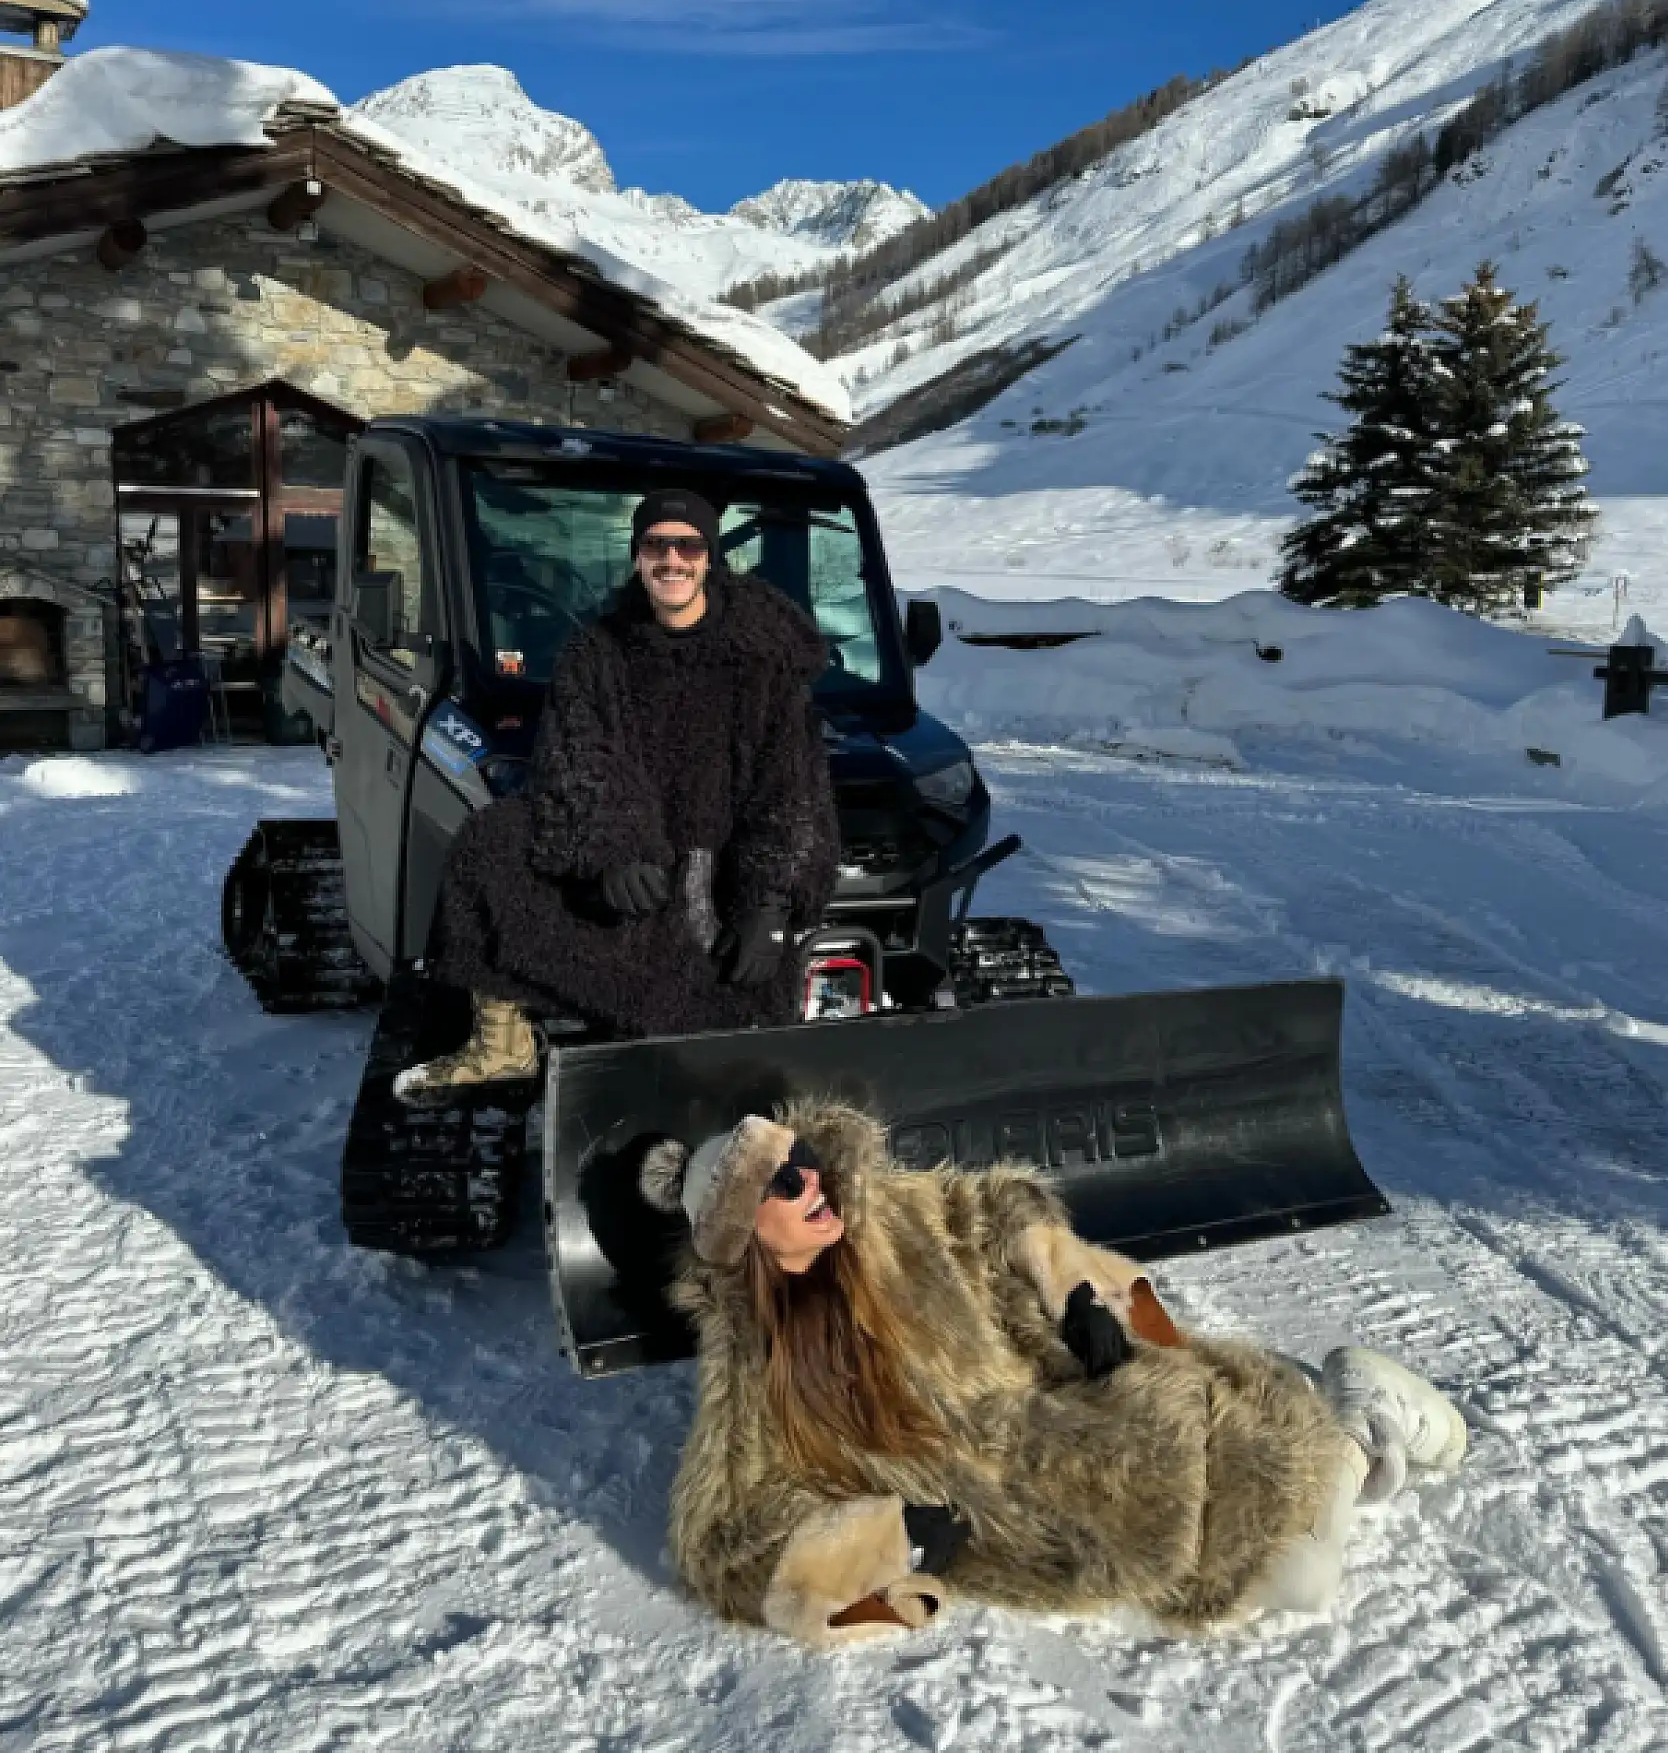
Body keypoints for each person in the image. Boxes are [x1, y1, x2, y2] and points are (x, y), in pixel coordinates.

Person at [645, 1101, 1467, 1649]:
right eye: (785, 1182)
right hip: (994, 1492)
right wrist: (883, 1542)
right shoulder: (760, 1354)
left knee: (1264, 1508)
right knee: (1287, 1573)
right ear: (741, 1231)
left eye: (810, 1161)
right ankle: (1355, 1422)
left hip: (1062, 1396)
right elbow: (724, 1544)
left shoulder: (888, 1218)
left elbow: (995, 1205)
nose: (814, 1181)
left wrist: (1061, 1278)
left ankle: (1351, 1423)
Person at [394, 488, 841, 1104]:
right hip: (640, 871)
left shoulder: (764, 660)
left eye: (688, 546)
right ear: (637, 557)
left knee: (721, 1007)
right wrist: (615, 845)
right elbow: (576, 758)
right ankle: (503, 1044)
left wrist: (768, 902)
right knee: (492, 839)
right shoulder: (596, 652)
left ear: (710, 558)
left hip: (722, 877)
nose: (673, 560)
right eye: (657, 545)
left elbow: (791, 789)